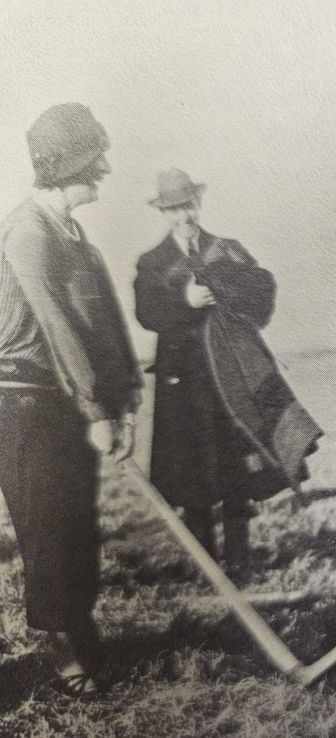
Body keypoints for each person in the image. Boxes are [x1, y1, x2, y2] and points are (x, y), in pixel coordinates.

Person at [0, 103, 142, 693]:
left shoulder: (76, 238)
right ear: (64, 168)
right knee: (49, 529)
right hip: (24, 404)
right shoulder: (28, 233)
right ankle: (63, 651)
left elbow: (103, 325)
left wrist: (125, 402)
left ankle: (80, 630)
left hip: (70, 402)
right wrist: (94, 408)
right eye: (93, 160)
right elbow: (57, 327)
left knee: (79, 526)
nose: (103, 170)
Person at [135, 169, 317, 579]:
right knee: (193, 482)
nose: (184, 216)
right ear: (163, 213)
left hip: (229, 385)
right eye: (174, 209)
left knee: (236, 476)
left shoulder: (228, 250)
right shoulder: (152, 263)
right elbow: (146, 312)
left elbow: (262, 297)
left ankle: (239, 561)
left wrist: (228, 289)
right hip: (183, 389)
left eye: (188, 206)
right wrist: (183, 298)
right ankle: (206, 568)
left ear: (198, 204)